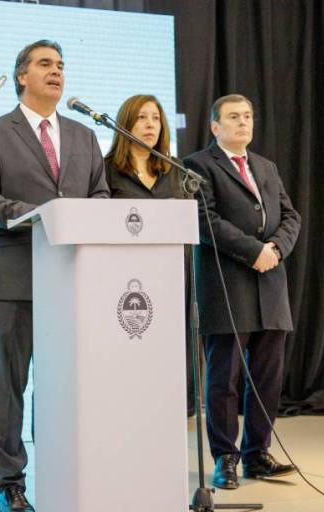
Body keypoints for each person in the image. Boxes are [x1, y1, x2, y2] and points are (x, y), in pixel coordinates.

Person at [0, 40, 110, 512]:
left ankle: (64, 469)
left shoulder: (84, 136)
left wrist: (85, 219)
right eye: (45, 64)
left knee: (64, 384)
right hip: (14, 278)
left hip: (71, 278)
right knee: (8, 385)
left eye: (61, 65)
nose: (56, 72)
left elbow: (101, 195)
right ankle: (10, 483)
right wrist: (43, 216)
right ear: (21, 76)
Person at [183, 94, 301, 490]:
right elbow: (206, 220)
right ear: (215, 126)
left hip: (271, 285)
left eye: (247, 116)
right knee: (225, 380)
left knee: (267, 378)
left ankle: (257, 454)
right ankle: (225, 458)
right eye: (233, 117)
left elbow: (290, 215)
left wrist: (276, 249)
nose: (243, 122)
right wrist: (254, 252)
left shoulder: (266, 166)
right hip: (228, 286)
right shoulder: (198, 165)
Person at [103, 94, 196, 417]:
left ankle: (173, 409)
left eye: (156, 118)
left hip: (172, 277)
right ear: (125, 123)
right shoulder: (106, 170)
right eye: (142, 117)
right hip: (125, 282)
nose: (150, 125)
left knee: (170, 348)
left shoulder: (176, 169)